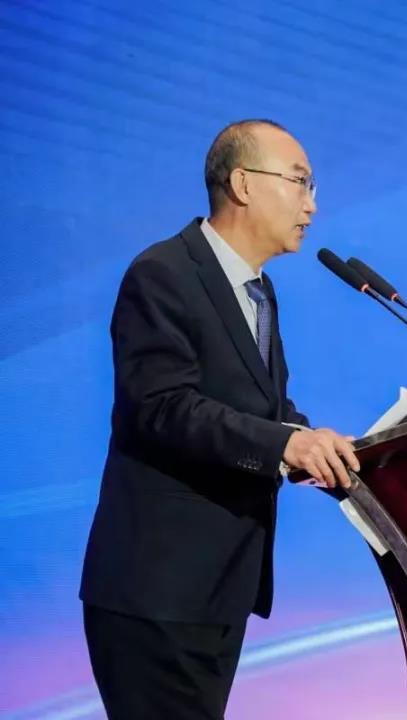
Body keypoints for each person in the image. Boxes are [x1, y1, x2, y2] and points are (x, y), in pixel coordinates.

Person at [80, 119, 359, 718]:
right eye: (301, 182)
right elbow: (161, 407)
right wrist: (285, 445)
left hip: (218, 589)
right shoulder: (164, 274)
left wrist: (314, 439)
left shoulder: (259, 291)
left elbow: (263, 408)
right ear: (243, 184)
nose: (312, 204)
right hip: (156, 592)